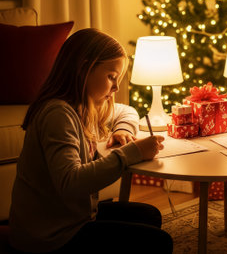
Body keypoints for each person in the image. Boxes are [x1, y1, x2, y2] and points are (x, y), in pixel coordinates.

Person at [9, 28, 173, 253]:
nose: (115, 88)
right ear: (84, 69)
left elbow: (127, 111)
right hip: (50, 236)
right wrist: (132, 152)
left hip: (71, 217)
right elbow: (71, 183)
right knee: (159, 242)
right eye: (111, 77)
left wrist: (123, 130)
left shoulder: (83, 106)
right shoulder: (58, 114)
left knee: (150, 215)